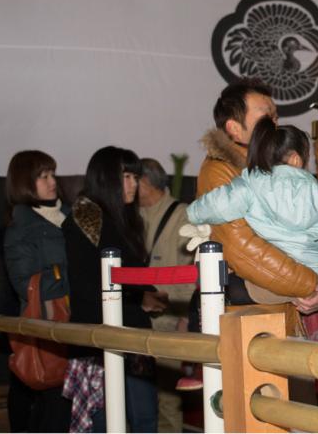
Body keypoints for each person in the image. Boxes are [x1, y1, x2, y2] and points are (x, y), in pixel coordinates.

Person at [194, 78, 318, 312]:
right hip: (247, 312)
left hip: (288, 300)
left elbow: (307, 236)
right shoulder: (218, 172)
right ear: (234, 128)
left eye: (275, 117)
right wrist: (311, 284)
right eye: (266, 117)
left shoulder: (277, 169)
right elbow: (242, 248)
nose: (274, 124)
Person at [62, 147, 169, 432]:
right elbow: (90, 288)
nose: (134, 184)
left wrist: (140, 296)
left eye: (136, 177)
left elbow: (130, 276)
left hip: (129, 335)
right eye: (126, 176)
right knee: (106, 422)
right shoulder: (85, 221)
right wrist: (139, 296)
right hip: (99, 339)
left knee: (144, 419)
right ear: (106, 179)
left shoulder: (120, 218)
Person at [3, 150, 72, 433]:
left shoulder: (71, 215)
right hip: (49, 325)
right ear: (24, 182)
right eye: (43, 176)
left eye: (52, 174)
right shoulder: (21, 228)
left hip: (81, 319)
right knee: (55, 406)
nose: (52, 181)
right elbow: (25, 284)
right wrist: (71, 274)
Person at [137, 158, 194, 433]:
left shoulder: (182, 215)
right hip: (137, 322)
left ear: (145, 182)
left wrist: (185, 319)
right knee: (137, 400)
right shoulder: (132, 215)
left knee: (167, 400)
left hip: (169, 323)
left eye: (131, 179)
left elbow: (191, 272)